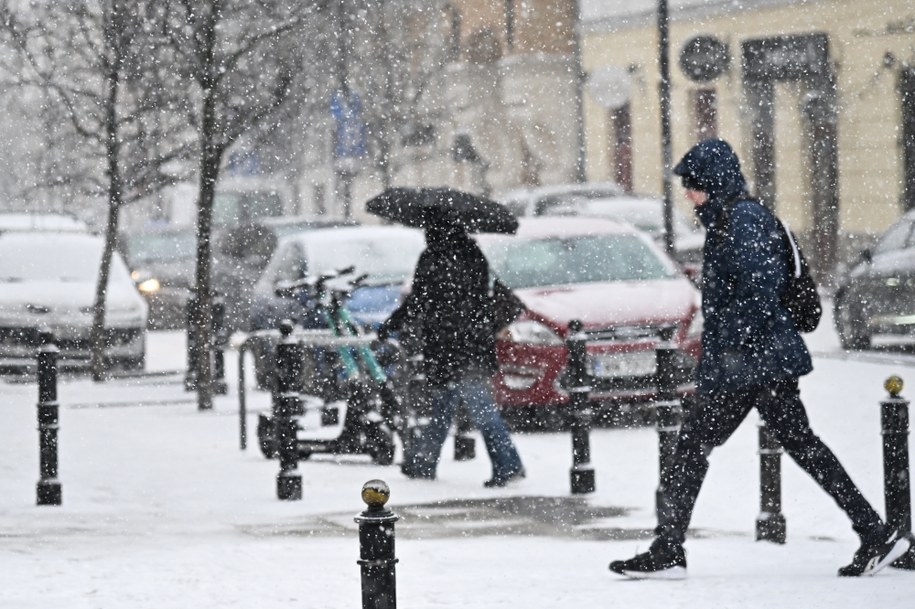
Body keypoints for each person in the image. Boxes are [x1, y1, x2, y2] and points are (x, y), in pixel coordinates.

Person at [609, 138, 912, 579]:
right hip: (754, 362)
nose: (689, 194)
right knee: (797, 446)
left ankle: (668, 549)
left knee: (696, 446)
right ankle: (875, 533)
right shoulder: (731, 218)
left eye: (693, 186)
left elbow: (760, 291)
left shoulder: (742, 220)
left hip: (752, 363)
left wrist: (731, 352)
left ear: (712, 183)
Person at [378, 221, 525, 488]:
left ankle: (507, 463)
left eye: (428, 227)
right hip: (474, 343)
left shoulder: (433, 257)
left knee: (468, 407)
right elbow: (479, 296)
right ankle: (423, 462)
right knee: (447, 405)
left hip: (447, 345)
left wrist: (392, 324)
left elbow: (418, 300)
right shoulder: (473, 253)